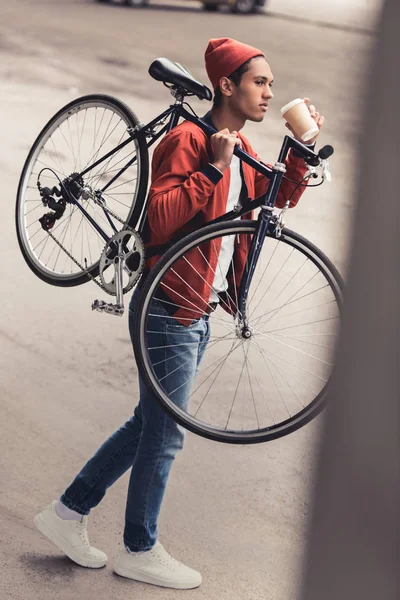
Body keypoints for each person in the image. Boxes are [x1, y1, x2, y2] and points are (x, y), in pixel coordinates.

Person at [34, 37, 325, 590]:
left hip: (196, 309)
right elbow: (159, 221)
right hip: (166, 306)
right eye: (260, 82)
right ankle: (139, 548)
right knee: (165, 435)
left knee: (148, 425)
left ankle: (66, 514)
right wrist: (211, 171)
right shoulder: (190, 140)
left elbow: (275, 200)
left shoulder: (239, 147)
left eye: (270, 85)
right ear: (227, 86)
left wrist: (302, 149)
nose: (269, 92)